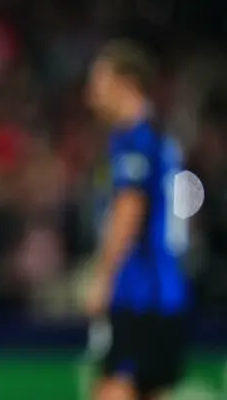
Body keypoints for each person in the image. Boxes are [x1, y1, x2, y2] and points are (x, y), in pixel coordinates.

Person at [84, 40, 190, 400]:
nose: (91, 96)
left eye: (99, 83)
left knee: (112, 390)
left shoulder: (135, 141)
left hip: (139, 294)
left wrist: (103, 278)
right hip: (169, 292)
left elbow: (129, 211)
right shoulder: (160, 137)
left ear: (126, 83)